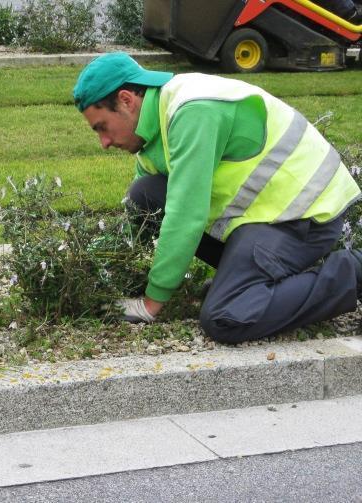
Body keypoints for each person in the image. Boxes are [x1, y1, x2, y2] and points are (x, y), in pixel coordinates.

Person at [73, 52, 362, 343]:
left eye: (102, 127)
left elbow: (186, 214)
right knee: (143, 196)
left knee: (225, 316)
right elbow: (145, 209)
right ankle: (248, 278)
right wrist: (105, 270)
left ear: (126, 100)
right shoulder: (152, 128)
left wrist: (150, 303)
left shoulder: (193, 112)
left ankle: (353, 271)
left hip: (300, 217)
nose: (104, 143)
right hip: (260, 216)